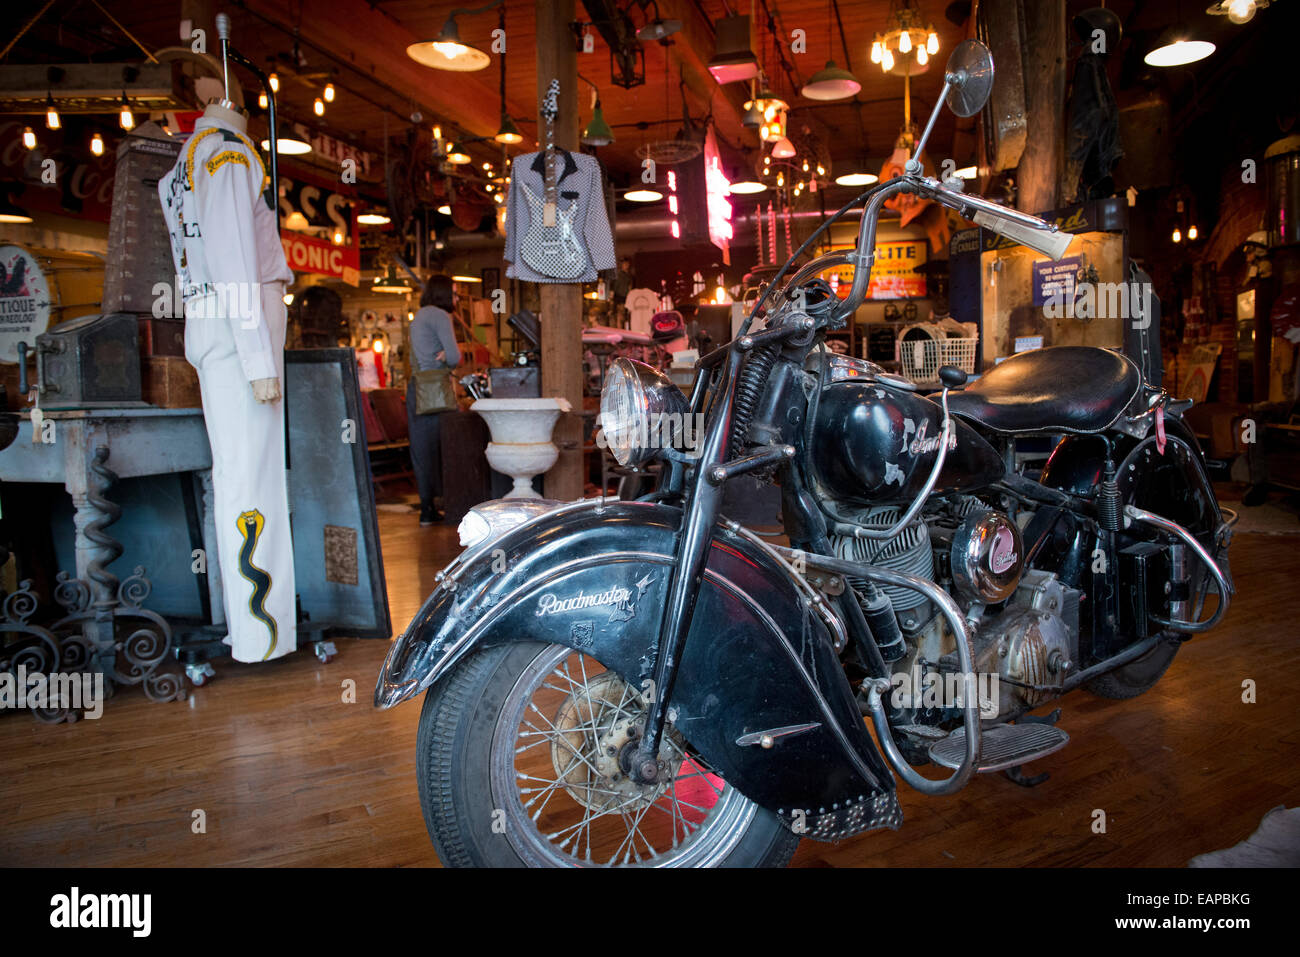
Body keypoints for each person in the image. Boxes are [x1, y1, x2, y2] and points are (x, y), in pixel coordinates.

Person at [406, 274, 462, 525]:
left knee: (422, 449)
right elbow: (454, 357)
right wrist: (444, 356)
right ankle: (449, 504)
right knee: (446, 447)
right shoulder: (440, 316)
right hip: (436, 390)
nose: (457, 297)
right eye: (454, 292)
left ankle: (426, 508)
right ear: (443, 293)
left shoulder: (419, 316)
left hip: (416, 389)